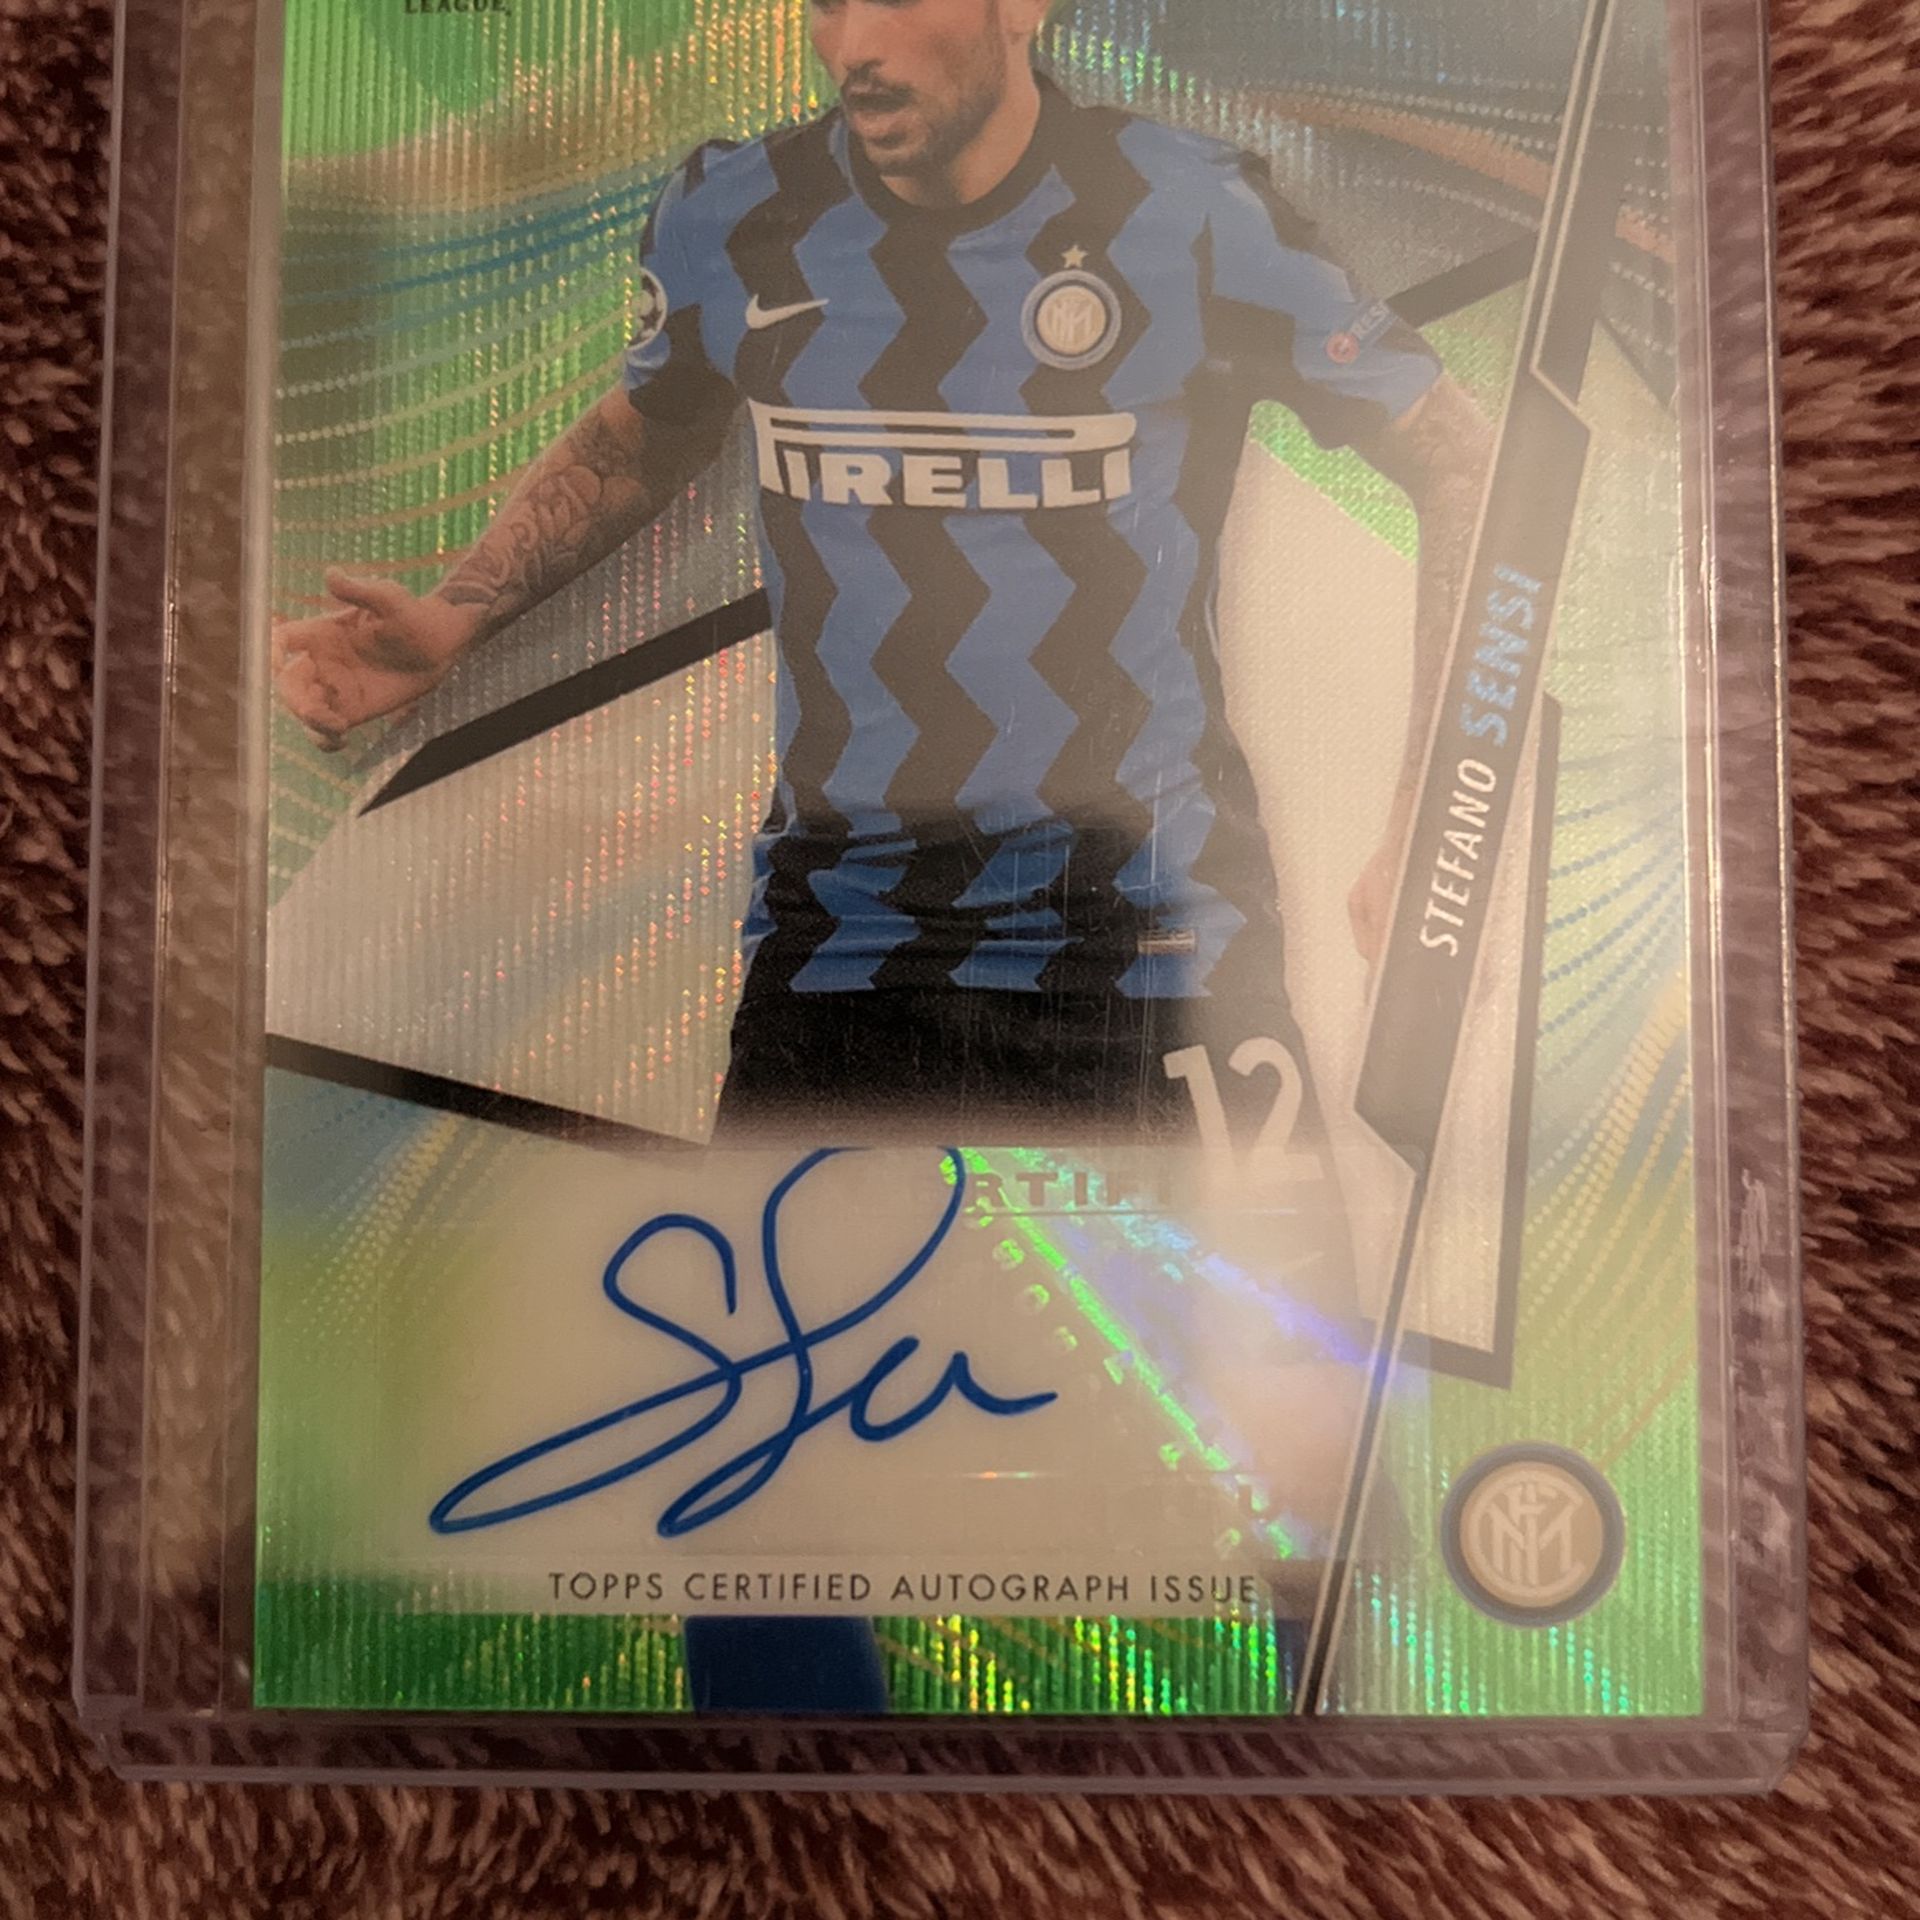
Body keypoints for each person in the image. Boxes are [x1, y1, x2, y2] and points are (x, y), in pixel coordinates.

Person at [273, 0, 1492, 1710]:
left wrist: (1446, 788)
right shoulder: (740, 212)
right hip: (844, 949)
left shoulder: (1193, 212)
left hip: (1153, 948)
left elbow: (1457, 454)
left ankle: (1308, 1816)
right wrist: (456, 617)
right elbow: (648, 425)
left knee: (1305, 1491)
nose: (853, 40)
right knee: (749, 1513)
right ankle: (813, 1826)